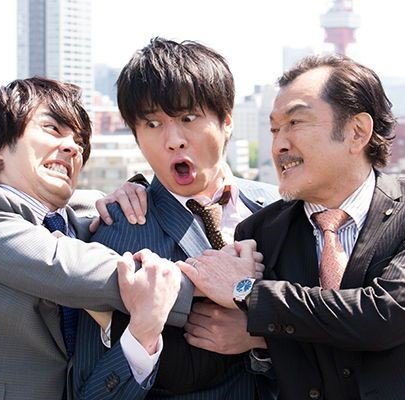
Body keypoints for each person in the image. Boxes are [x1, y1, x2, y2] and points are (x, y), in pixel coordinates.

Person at [178, 54, 405, 400]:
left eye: (295, 122)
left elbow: (386, 315)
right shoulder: (261, 232)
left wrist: (250, 297)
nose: (279, 145)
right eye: (275, 129)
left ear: (357, 132)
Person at [0, 77, 192, 400]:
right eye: (52, 129)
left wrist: (136, 191)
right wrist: (199, 285)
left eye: (79, 140)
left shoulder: (88, 216)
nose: (73, 147)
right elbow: (62, 265)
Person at [90, 38, 279, 399]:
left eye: (188, 118)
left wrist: (262, 336)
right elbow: (92, 387)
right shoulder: (117, 229)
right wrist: (142, 336)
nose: (173, 140)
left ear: (226, 122)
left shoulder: (281, 209)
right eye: (152, 124)